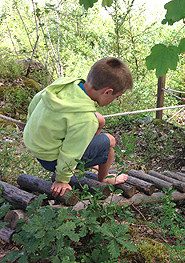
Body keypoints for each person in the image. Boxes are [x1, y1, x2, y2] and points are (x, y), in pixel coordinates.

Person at [23, 57, 133, 197]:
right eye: (117, 96)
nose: (114, 100)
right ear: (107, 92)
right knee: (110, 141)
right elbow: (71, 152)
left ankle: (94, 160)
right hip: (51, 160)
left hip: (34, 144)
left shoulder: (64, 84)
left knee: (98, 119)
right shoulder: (85, 120)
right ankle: (104, 177)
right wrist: (62, 179)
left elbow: (34, 104)